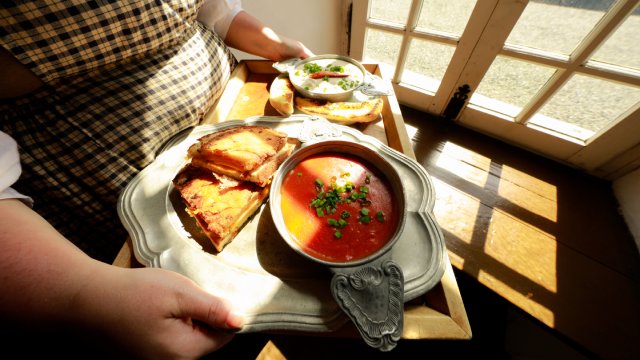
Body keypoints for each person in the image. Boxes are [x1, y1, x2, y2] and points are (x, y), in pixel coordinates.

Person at [0, 1, 313, 359]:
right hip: (102, 243)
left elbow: (207, 9)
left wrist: (276, 46)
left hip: (238, 107)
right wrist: (83, 291)